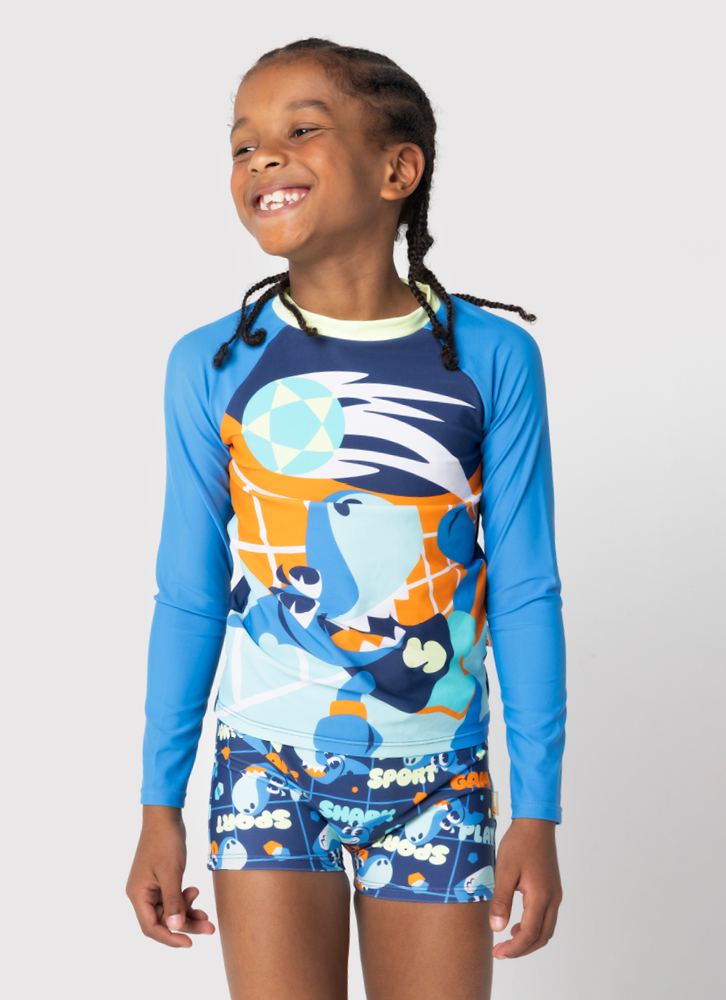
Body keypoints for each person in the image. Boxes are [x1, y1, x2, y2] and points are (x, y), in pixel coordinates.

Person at [126, 39, 566, 1000]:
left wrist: (539, 810)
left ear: (398, 170)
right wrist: (161, 804)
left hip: (440, 779)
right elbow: (189, 595)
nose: (263, 159)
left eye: (300, 131)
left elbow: (526, 590)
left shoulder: (490, 358)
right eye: (242, 145)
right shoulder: (212, 363)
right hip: (264, 772)